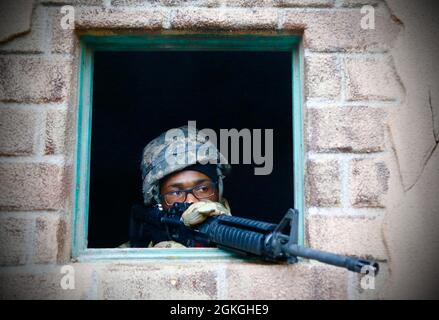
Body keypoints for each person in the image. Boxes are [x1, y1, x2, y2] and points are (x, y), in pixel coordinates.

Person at [122, 125, 232, 248]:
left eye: (203, 189)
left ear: (219, 191)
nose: (191, 201)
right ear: (158, 201)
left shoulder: (238, 238)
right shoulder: (122, 257)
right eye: (176, 193)